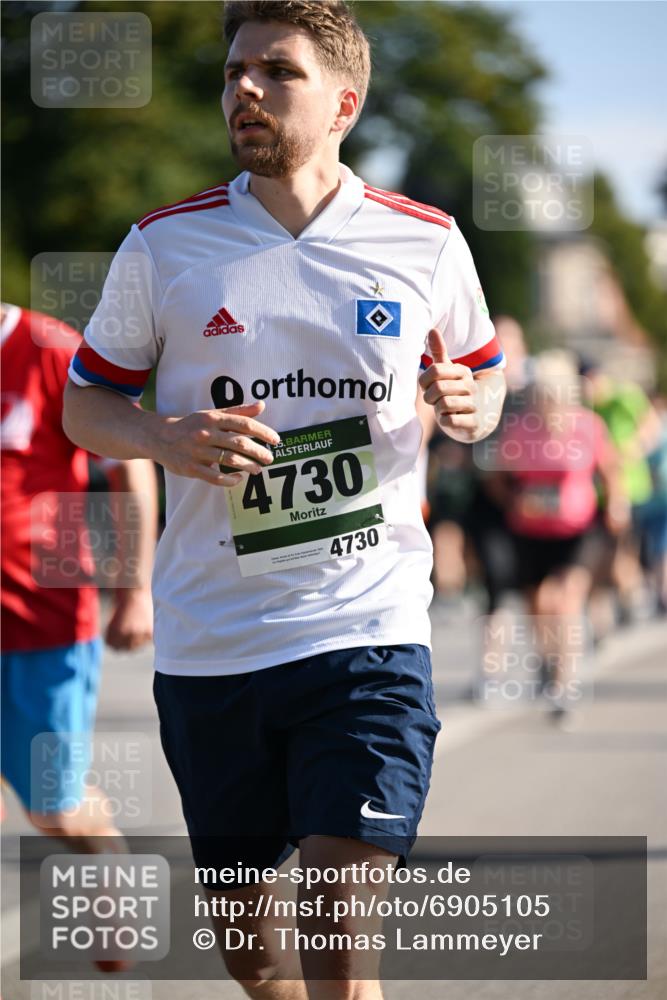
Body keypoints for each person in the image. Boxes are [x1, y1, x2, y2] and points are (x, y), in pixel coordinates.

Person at [62, 2, 506, 996]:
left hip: (368, 623)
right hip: (212, 637)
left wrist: (475, 403)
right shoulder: (164, 246)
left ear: (344, 102)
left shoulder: (424, 242)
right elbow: (85, 401)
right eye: (232, 73)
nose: (243, 90)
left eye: (276, 70)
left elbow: (484, 372)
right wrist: (161, 436)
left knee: (337, 920)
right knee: (254, 952)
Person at [1, 303, 156, 851]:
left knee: (57, 812)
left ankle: (120, 914)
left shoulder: (48, 348)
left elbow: (130, 463)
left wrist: (134, 590)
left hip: (41, 623)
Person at [486, 351, 628, 724]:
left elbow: (610, 470)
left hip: (579, 529)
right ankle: (548, 661)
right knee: (539, 605)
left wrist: (616, 505)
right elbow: (498, 477)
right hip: (530, 531)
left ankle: (565, 683)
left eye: (553, 397)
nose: (546, 405)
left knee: (564, 600)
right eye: (540, 397)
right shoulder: (520, 428)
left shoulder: (588, 426)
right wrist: (518, 499)